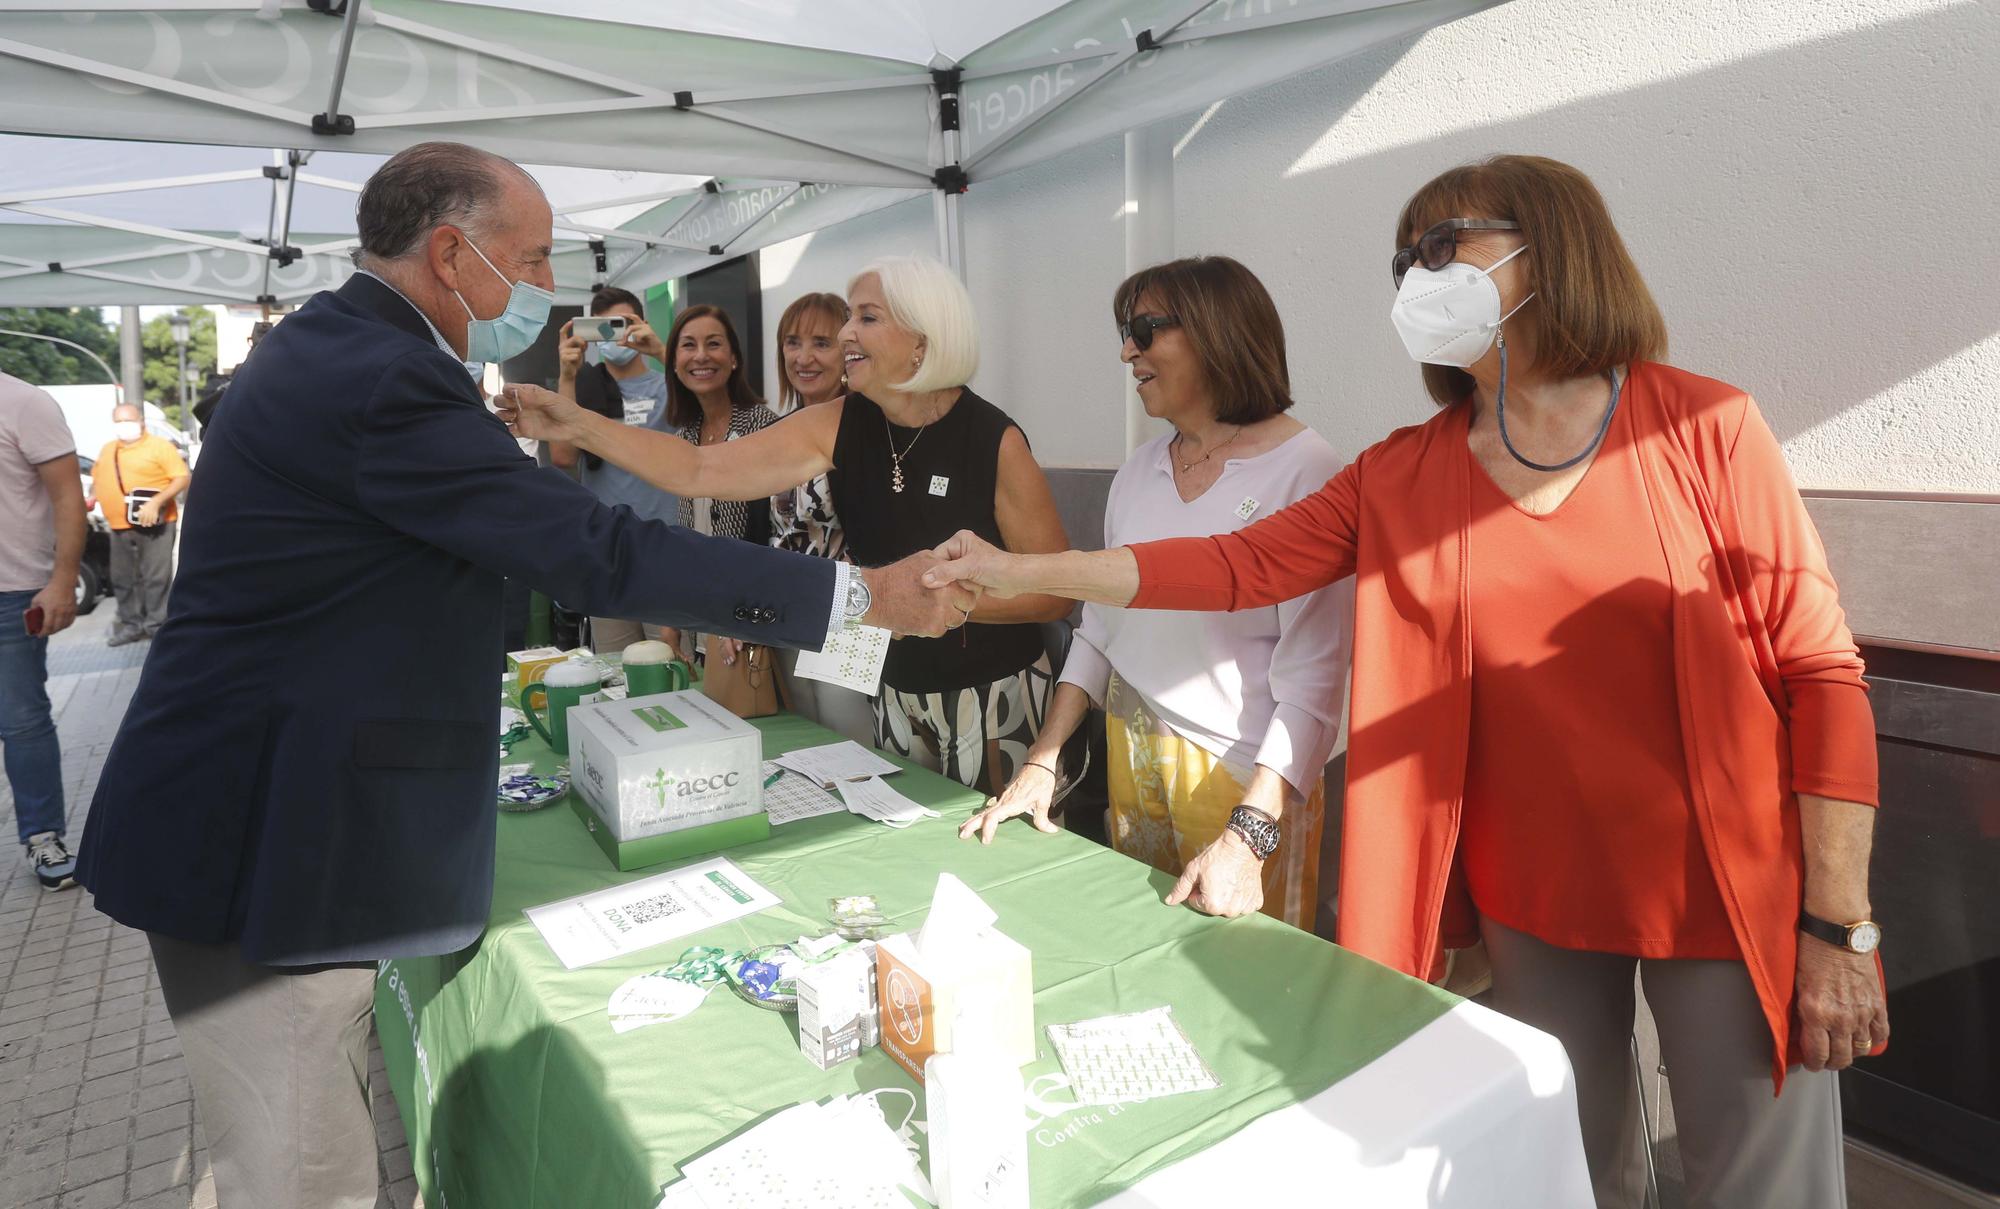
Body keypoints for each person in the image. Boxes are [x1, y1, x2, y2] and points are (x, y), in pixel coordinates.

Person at [925, 155, 1887, 1208]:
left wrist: (1837, 925)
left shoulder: (1703, 428)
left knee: (1761, 1181)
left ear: (1549, 248)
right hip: (1531, 890)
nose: (1413, 279)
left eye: (1440, 248)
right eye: (1403, 261)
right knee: (1561, 1161)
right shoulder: (1404, 470)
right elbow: (1236, 562)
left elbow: (1820, 676)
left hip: (1716, 879)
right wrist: (1022, 570)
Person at [76, 141, 972, 1209]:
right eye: (535, 260)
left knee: (315, 1152)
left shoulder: (345, 347)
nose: (549, 291)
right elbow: (598, 552)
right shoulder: (383, 376)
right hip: (264, 844)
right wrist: (858, 597)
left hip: (272, 814)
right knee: (305, 1179)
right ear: (453, 255)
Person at [500, 255, 1074, 793]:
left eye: (866, 318)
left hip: (996, 691)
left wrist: (934, 601)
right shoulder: (838, 422)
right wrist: (577, 424)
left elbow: (1052, 594)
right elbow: (699, 467)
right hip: (897, 690)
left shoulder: (994, 441)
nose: (847, 332)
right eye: (848, 316)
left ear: (923, 342)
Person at [958, 257, 1353, 932]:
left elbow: (1315, 679)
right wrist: (1043, 760)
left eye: (1144, 329)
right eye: (1125, 330)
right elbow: (1099, 630)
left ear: (1218, 333)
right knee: (1147, 946)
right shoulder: (1140, 469)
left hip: (1242, 777)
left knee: (1247, 967)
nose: (1126, 350)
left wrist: (1250, 831)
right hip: (1131, 746)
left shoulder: (1308, 469)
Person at [764, 291, 876, 744]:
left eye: (821, 343)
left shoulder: (867, 427)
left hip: (850, 617)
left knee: (850, 744)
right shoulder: (778, 429)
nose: (804, 357)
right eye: (792, 342)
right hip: (788, 609)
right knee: (805, 738)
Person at [545, 285, 680, 654]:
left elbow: (707, 397)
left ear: (642, 325)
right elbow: (562, 457)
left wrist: (662, 351)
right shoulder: (583, 389)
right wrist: (568, 376)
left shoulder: (669, 385)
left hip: (665, 551)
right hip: (608, 555)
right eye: (601, 328)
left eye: (620, 326)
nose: (612, 337)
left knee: (672, 663)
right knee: (616, 674)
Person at [0, 371, 86, 890]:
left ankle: (42, 836)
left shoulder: (23, 402)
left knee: (22, 721)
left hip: (10, 592)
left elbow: (68, 498)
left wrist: (63, 579)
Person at [90, 402, 189, 646]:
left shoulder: (159, 447)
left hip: (157, 523)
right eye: (119, 421)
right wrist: (93, 498)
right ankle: (132, 625)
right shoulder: (108, 450)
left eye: (128, 420)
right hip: (118, 524)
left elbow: (182, 477)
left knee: (156, 576)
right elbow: (97, 478)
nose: (124, 426)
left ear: (141, 421)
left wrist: (156, 502)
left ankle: (157, 625)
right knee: (121, 577)